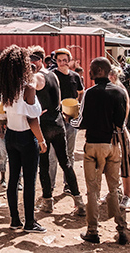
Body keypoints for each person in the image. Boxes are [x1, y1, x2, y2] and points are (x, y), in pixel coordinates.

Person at [0, 45, 47, 233]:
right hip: (26, 136)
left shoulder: (6, 87)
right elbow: (33, 120)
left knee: (13, 179)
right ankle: (30, 222)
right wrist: (41, 141)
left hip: (11, 135)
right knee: (30, 182)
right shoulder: (28, 87)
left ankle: (15, 220)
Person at [79, 57, 128, 245]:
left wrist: (68, 119)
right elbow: (121, 123)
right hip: (113, 146)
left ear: (98, 70)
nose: (89, 72)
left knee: (93, 190)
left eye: (91, 69)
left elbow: (80, 121)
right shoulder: (119, 92)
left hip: (93, 145)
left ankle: (93, 231)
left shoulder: (90, 94)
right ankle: (122, 230)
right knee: (114, 188)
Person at [32, 46, 84, 215]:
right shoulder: (53, 75)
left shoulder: (38, 77)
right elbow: (60, 100)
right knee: (66, 162)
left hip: (45, 125)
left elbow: (28, 94)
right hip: (58, 123)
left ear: (39, 61)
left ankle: (48, 201)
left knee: (45, 164)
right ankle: (79, 200)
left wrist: (35, 111)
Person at [49, 48, 84, 191]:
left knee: (69, 153)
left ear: (69, 61)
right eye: (59, 60)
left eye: (65, 60)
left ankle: (68, 184)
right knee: (52, 156)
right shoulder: (51, 76)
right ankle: (50, 186)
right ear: (55, 61)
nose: (62, 63)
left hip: (72, 120)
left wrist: (77, 106)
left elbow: (81, 92)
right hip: (55, 121)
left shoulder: (75, 76)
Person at [108, 65, 130, 211]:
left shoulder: (120, 90)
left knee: (126, 165)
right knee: (110, 165)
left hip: (120, 132)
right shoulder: (111, 89)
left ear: (113, 76)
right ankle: (114, 192)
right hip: (111, 132)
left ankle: (127, 196)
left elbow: (125, 112)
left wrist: (119, 127)